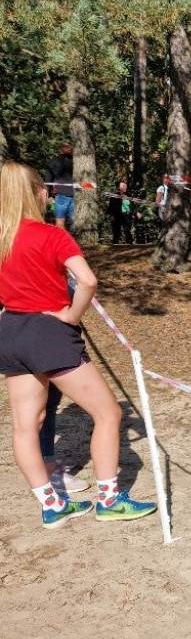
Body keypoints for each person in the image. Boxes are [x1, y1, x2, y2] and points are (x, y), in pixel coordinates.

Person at [0, 161, 157, 528]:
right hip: (48, 332)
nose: (48, 194)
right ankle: (109, 499)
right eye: (44, 189)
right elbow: (87, 281)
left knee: (26, 426)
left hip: (10, 333)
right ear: (35, 193)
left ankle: (52, 505)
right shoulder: (52, 235)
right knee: (107, 413)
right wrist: (71, 316)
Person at [44, 144, 75, 234]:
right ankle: (73, 240)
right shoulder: (76, 162)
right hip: (75, 194)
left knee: (60, 221)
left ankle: (63, 241)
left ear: (60, 152)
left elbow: (48, 179)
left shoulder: (52, 162)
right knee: (74, 221)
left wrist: (48, 193)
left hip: (60, 194)